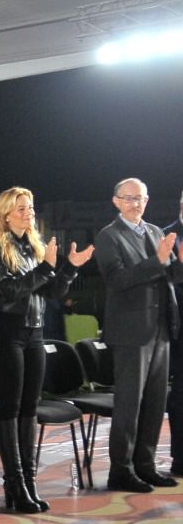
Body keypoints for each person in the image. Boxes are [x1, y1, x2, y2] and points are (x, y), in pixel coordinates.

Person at [0, 188, 94, 511]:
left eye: (30, 207)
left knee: (30, 408)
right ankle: (14, 484)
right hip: (6, 334)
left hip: (35, 333)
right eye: (21, 208)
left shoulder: (34, 246)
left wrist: (70, 267)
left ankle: (28, 483)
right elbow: (10, 291)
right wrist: (45, 268)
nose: (28, 212)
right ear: (5, 214)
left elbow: (52, 292)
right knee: (12, 408)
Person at [93, 178, 183, 492]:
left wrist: (178, 264)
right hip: (131, 332)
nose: (136, 204)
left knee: (156, 404)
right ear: (116, 201)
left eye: (141, 198)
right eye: (129, 198)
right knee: (129, 405)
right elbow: (118, 280)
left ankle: (146, 465)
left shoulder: (156, 231)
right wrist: (157, 261)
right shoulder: (108, 236)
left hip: (160, 328)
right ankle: (121, 470)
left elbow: (168, 274)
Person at [162, 190, 183, 477]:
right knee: (180, 395)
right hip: (179, 329)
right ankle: (180, 456)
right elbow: (160, 280)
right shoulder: (165, 237)